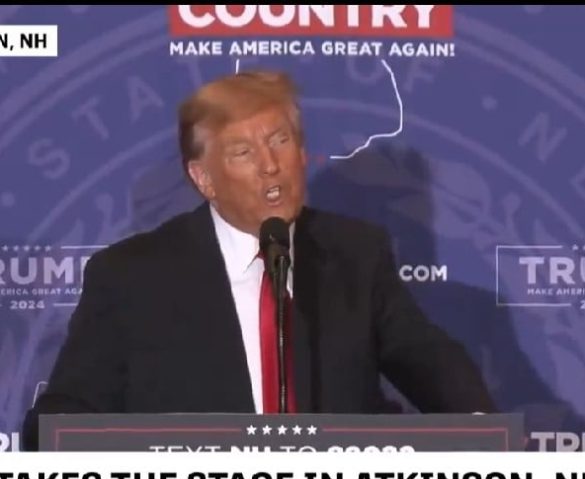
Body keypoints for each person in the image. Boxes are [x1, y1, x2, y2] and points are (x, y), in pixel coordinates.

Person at [21, 69, 495, 450]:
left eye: (280, 140)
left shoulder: (354, 253)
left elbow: (425, 357)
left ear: (302, 152)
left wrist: (482, 430)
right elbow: (66, 416)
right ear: (204, 179)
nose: (271, 165)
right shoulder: (131, 276)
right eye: (243, 152)